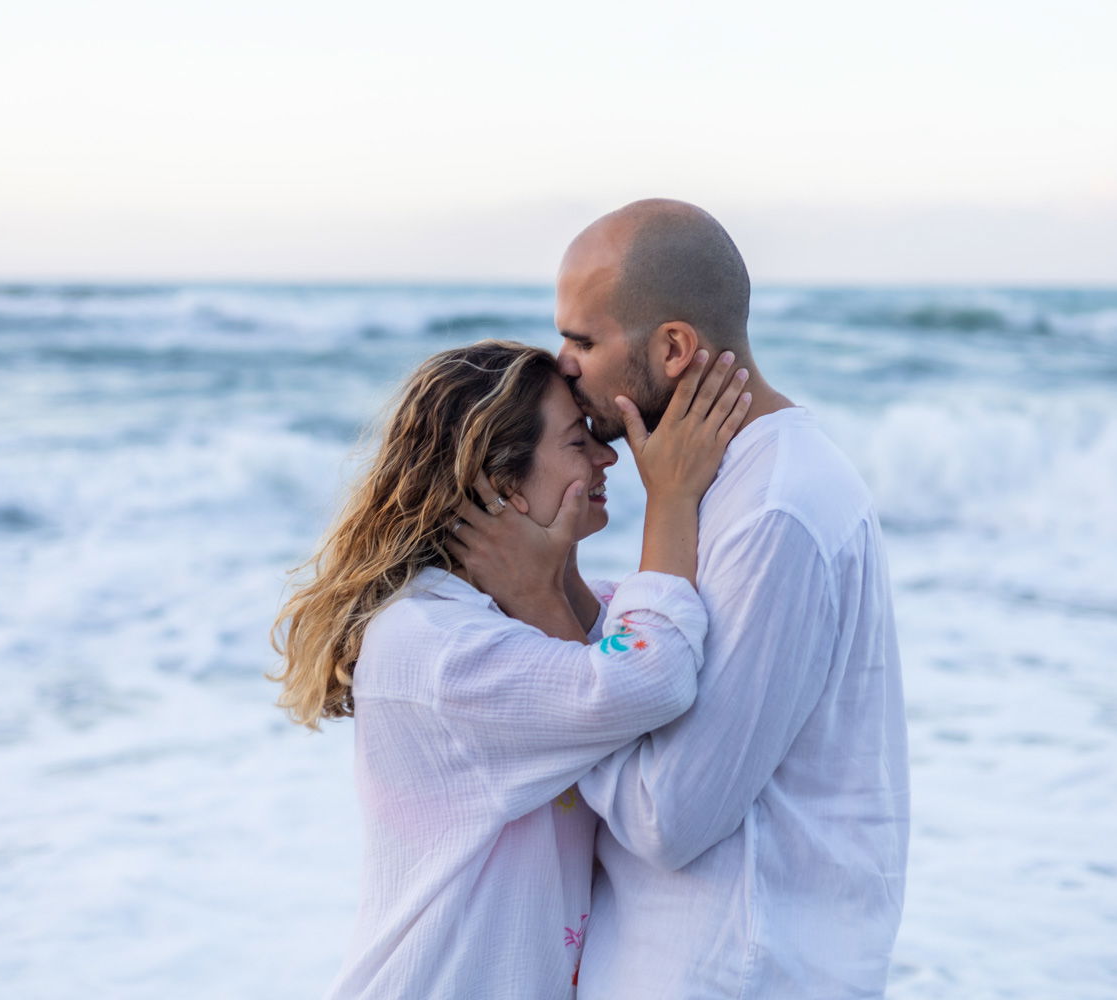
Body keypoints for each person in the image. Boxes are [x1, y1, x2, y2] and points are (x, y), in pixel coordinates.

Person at [454, 201, 910, 997]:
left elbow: (669, 817)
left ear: (672, 348)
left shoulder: (776, 510)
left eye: (584, 340)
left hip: (731, 970)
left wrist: (542, 608)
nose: (561, 364)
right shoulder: (715, 487)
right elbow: (655, 696)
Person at [268, 339, 752, 998]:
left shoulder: (523, 618)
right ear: (502, 482)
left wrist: (546, 585)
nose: (609, 455)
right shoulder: (436, 642)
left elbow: (616, 648)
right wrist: (672, 500)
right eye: (579, 442)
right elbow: (650, 676)